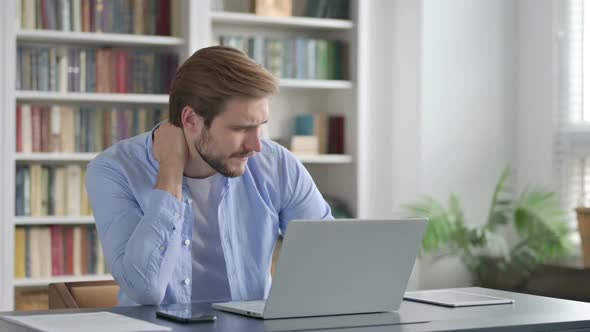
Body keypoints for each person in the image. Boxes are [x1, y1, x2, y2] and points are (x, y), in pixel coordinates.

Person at [86, 46, 333, 306]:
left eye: (260, 126)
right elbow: (145, 289)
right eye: (240, 128)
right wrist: (171, 169)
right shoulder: (113, 170)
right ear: (191, 119)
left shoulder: (277, 163)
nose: (256, 145)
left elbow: (329, 256)